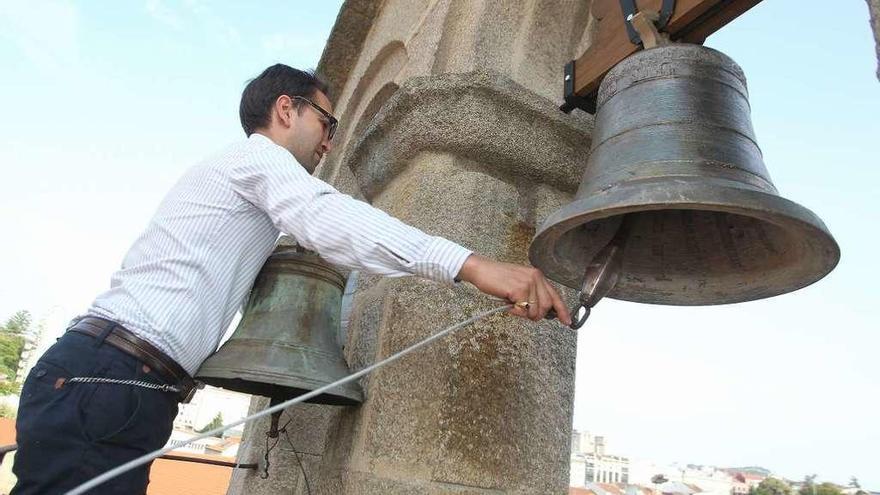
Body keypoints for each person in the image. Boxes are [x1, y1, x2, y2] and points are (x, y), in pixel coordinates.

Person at [11, 64, 571, 494]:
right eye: (327, 123)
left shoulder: (240, 182)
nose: (330, 142)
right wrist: (473, 266)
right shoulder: (259, 161)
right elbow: (327, 216)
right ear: (286, 109)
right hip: (110, 378)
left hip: (116, 382)